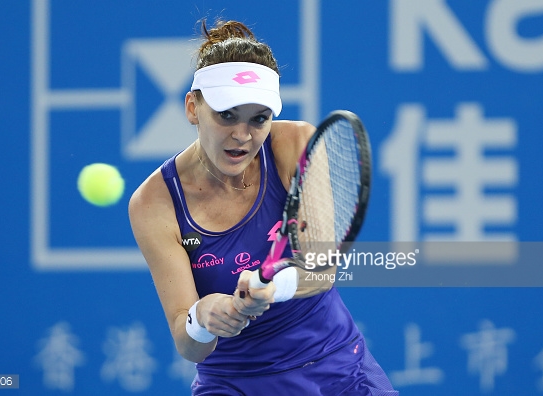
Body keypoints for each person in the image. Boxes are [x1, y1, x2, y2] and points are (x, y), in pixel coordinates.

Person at [129, 19, 398, 396]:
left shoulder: (295, 143)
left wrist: (269, 287)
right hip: (233, 384)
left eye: (259, 119)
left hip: (335, 369)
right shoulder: (153, 203)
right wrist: (202, 319)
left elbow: (322, 269)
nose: (242, 136)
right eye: (226, 115)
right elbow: (187, 343)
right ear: (192, 108)